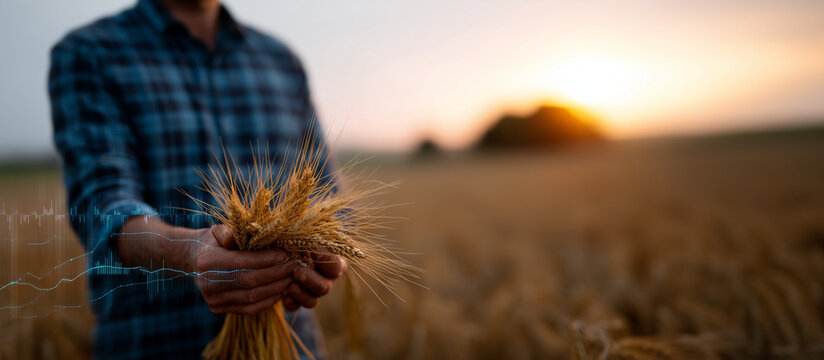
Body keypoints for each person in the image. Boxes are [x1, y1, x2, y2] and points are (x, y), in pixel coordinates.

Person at [48, 0, 345, 358]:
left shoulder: (283, 61)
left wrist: (322, 251)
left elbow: (330, 195)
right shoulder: (89, 54)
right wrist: (189, 253)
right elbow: (105, 207)